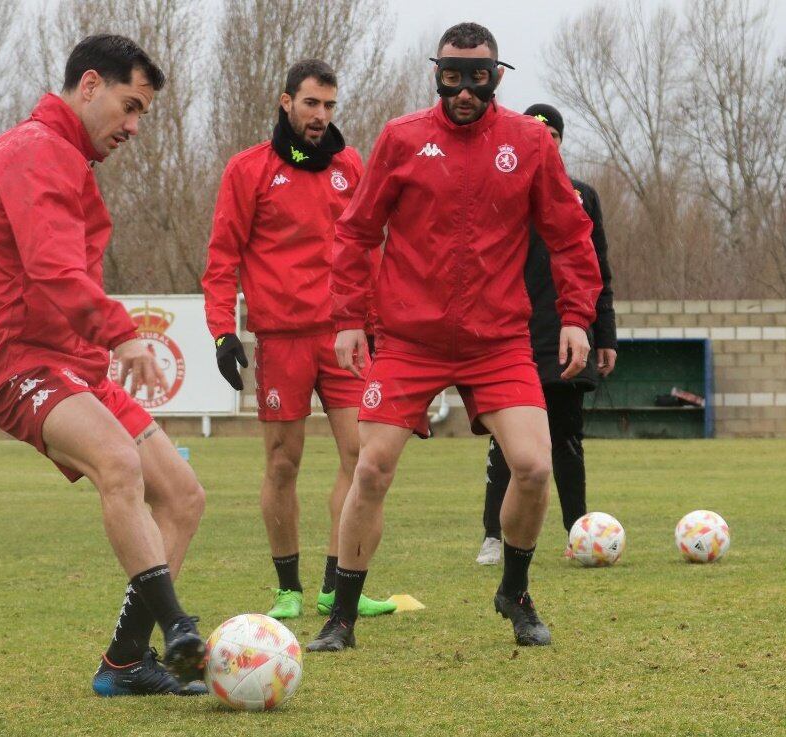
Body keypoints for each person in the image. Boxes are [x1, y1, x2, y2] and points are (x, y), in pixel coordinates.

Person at [307, 22, 602, 653]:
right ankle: (343, 616)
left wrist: (577, 316)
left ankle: (515, 593)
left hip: (497, 341)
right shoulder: (401, 139)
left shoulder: (528, 141)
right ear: (437, 73)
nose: (464, 91)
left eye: (478, 77)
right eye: (452, 76)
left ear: (497, 76)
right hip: (410, 340)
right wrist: (348, 319)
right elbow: (357, 233)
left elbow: (570, 235)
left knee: (532, 467)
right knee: (372, 468)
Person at [0, 35, 207, 697]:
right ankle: (178, 626)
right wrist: (120, 332)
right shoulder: (35, 150)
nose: (133, 126)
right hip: (20, 364)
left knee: (183, 497)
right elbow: (50, 267)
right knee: (120, 464)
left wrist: (103, 346)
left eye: (143, 115)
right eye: (130, 107)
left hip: (74, 366)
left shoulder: (67, 159)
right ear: (91, 85)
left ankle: (127, 662)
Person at [202, 60, 395, 621]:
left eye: (330, 106)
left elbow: (371, 250)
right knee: (283, 463)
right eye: (311, 104)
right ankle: (288, 587)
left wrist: (381, 326)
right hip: (282, 339)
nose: (321, 116)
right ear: (286, 102)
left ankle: (340, 585)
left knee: (362, 458)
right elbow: (222, 258)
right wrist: (222, 330)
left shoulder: (351, 166)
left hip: (345, 336)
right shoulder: (248, 170)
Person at [476, 103, 617, 566]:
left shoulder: (582, 196)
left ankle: (578, 534)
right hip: (511, 336)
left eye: (552, 135)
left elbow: (598, 270)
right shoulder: (502, 187)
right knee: (507, 441)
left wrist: (606, 335)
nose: (545, 142)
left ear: (559, 142)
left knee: (567, 438)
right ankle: (493, 536)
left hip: (567, 336)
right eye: (537, 133)